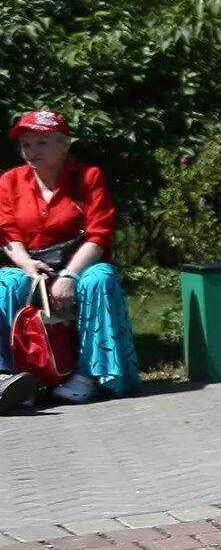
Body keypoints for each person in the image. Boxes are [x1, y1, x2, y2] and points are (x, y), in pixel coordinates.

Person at [1, 111, 141, 412]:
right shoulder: (10, 181)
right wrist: (26, 264)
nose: (32, 151)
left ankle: (89, 376)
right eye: (26, 144)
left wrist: (69, 275)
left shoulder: (89, 178)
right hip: (31, 262)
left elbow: (99, 235)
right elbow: (7, 233)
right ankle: (8, 377)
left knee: (99, 279)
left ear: (64, 144)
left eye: (41, 143)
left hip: (82, 263)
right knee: (5, 283)